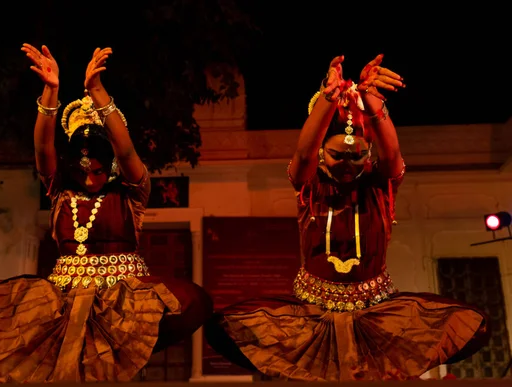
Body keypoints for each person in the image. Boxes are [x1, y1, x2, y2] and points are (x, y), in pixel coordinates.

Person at [0, 44, 213, 382]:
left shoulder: (131, 192)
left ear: (111, 165)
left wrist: (97, 92)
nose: (90, 177)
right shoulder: (59, 190)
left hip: (123, 293)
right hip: (62, 293)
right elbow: (43, 147)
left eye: (98, 171)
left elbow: (126, 148)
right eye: (83, 170)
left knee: (188, 303)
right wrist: (50, 93)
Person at [204, 54, 490, 381]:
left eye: (357, 156)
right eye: (337, 155)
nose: (347, 164)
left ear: (368, 155)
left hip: (377, 314)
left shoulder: (380, 187)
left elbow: (392, 153)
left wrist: (372, 101)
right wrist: (328, 99)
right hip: (311, 316)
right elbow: (302, 153)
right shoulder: (309, 187)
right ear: (322, 156)